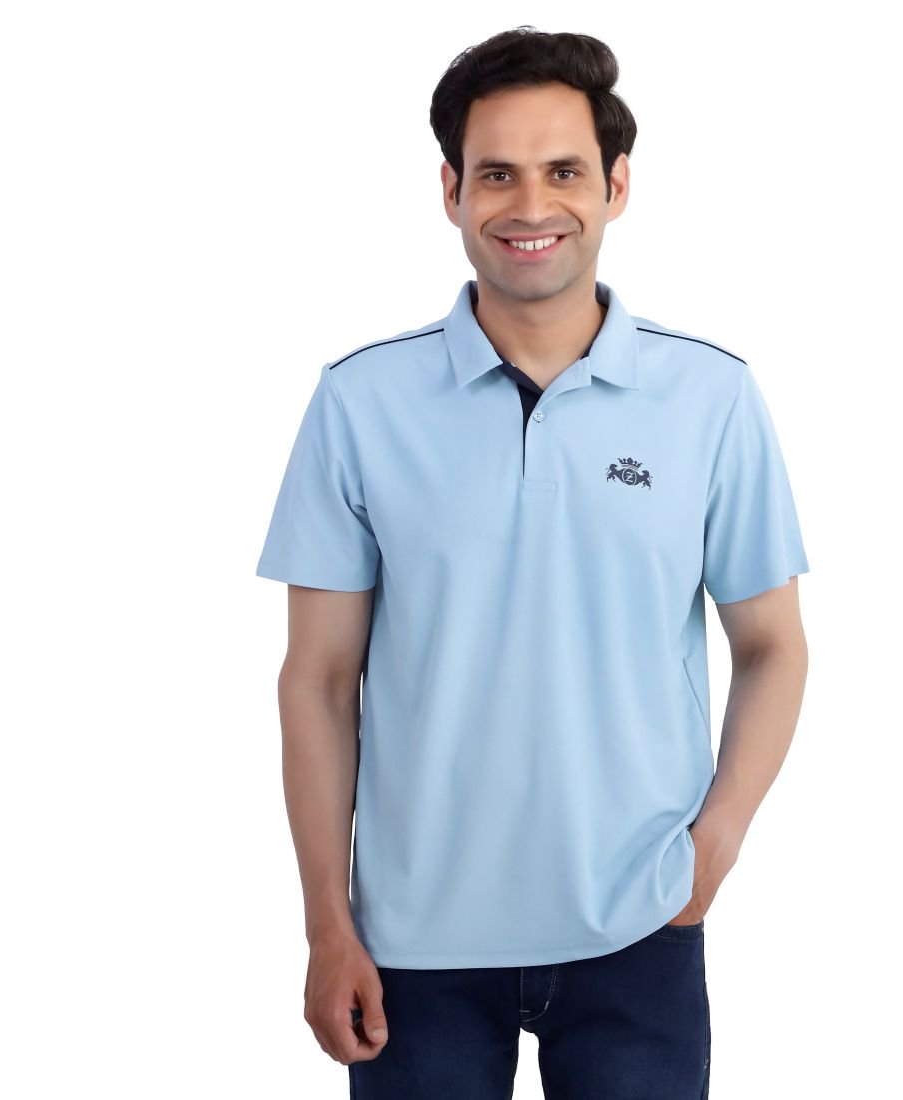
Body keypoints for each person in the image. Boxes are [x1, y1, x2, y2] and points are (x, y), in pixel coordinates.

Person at [255, 24, 810, 1099]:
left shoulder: (711, 399)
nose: (530, 205)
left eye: (563, 171)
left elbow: (773, 645)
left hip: (637, 925)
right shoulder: (359, 404)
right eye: (497, 174)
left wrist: (713, 848)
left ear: (615, 185)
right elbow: (317, 680)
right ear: (451, 191)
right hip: (412, 943)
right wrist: (326, 923)